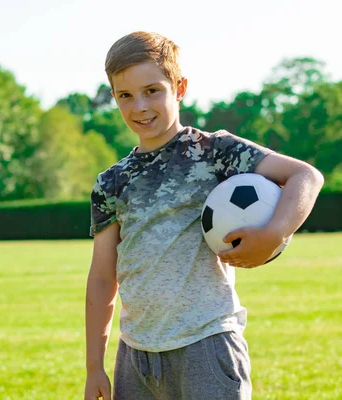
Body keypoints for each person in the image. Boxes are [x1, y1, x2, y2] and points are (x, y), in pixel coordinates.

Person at [84, 31, 324, 400]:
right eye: (125, 96)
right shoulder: (111, 182)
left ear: (179, 88)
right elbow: (102, 278)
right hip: (136, 357)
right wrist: (94, 367)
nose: (140, 107)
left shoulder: (216, 152)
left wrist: (274, 233)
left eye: (152, 90)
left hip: (207, 345)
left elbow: (305, 176)